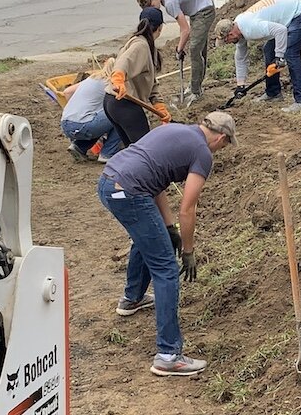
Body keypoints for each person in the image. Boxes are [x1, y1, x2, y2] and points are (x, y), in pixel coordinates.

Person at [98, 111, 237, 377]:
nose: (223, 149)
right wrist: (188, 250)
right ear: (221, 137)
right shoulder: (202, 154)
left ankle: (132, 299)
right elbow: (189, 208)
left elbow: (156, 181)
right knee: (167, 270)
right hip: (129, 191)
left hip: (109, 182)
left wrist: (168, 226)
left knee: (150, 238)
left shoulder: (173, 131)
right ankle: (168, 355)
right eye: (226, 144)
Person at [216, 0, 301, 112]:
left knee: (291, 54)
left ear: (231, 34)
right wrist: (240, 85)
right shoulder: (239, 28)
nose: (228, 43)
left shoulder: (251, 28)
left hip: (298, 13)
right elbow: (241, 58)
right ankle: (273, 93)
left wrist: (279, 57)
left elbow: (281, 30)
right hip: (282, 19)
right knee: (268, 50)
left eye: (226, 40)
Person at [137, 0, 216, 106]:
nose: (155, 9)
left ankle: (195, 91)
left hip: (204, 10)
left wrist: (179, 48)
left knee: (195, 49)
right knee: (199, 48)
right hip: (200, 4)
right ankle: (196, 86)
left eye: (153, 6)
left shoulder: (169, 3)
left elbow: (185, 30)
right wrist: (181, 43)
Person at [105, 8, 172, 148]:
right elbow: (124, 62)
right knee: (145, 149)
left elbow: (150, 81)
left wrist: (159, 106)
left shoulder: (146, 45)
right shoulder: (140, 45)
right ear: (160, 28)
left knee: (133, 150)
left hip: (112, 102)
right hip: (123, 102)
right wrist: (118, 79)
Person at [61, 64, 122, 163]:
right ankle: (107, 153)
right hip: (84, 125)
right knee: (119, 115)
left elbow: (67, 92)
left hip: (65, 123)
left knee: (96, 120)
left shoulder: (91, 79)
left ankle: (79, 147)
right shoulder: (110, 83)